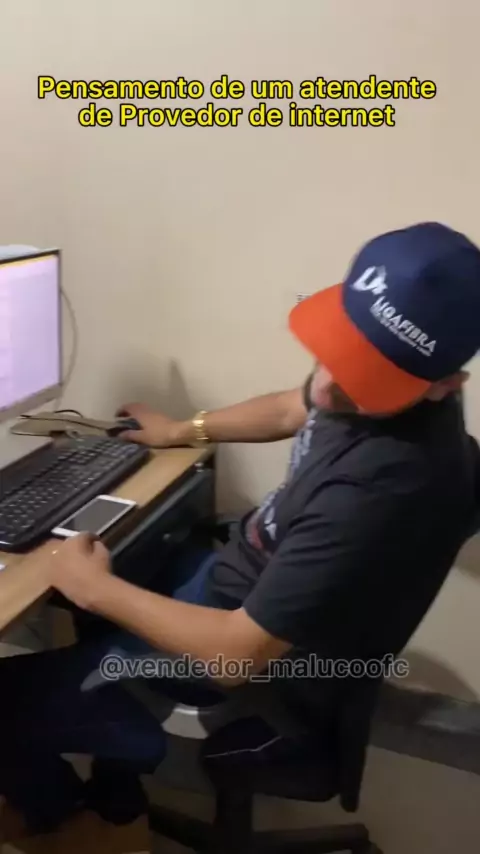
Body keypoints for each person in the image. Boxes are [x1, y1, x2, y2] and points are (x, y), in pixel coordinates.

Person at [1, 220, 480, 835]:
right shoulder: (383, 385)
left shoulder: (382, 489)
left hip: (246, 650)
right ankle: (116, 776)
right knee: (121, 561)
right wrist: (182, 430)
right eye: (339, 351)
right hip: (238, 579)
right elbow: (290, 406)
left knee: (14, 690)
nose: (327, 388)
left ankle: (64, 810)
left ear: (447, 386)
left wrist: (93, 588)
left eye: (364, 380)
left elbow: (234, 656)